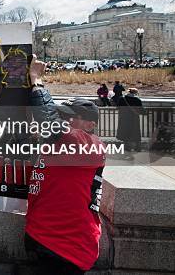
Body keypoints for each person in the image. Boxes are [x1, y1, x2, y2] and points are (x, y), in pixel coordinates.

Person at [25, 55, 106, 274]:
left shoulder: (90, 145)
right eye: (63, 115)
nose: (64, 121)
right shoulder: (66, 144)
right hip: (45, 235)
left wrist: (36, 79)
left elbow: (49, 121)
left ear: (91, 124)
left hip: (67, 246)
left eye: (71, 117)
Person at [116, 87, 145, 152]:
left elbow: (118, 107)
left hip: (124, 119)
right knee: (135, 132)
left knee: (125, 132)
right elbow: (142, 111)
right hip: (134, 119)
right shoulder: (137, 100)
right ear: (135, 93)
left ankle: (127, 147)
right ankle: (137, 147)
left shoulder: (122, 99)